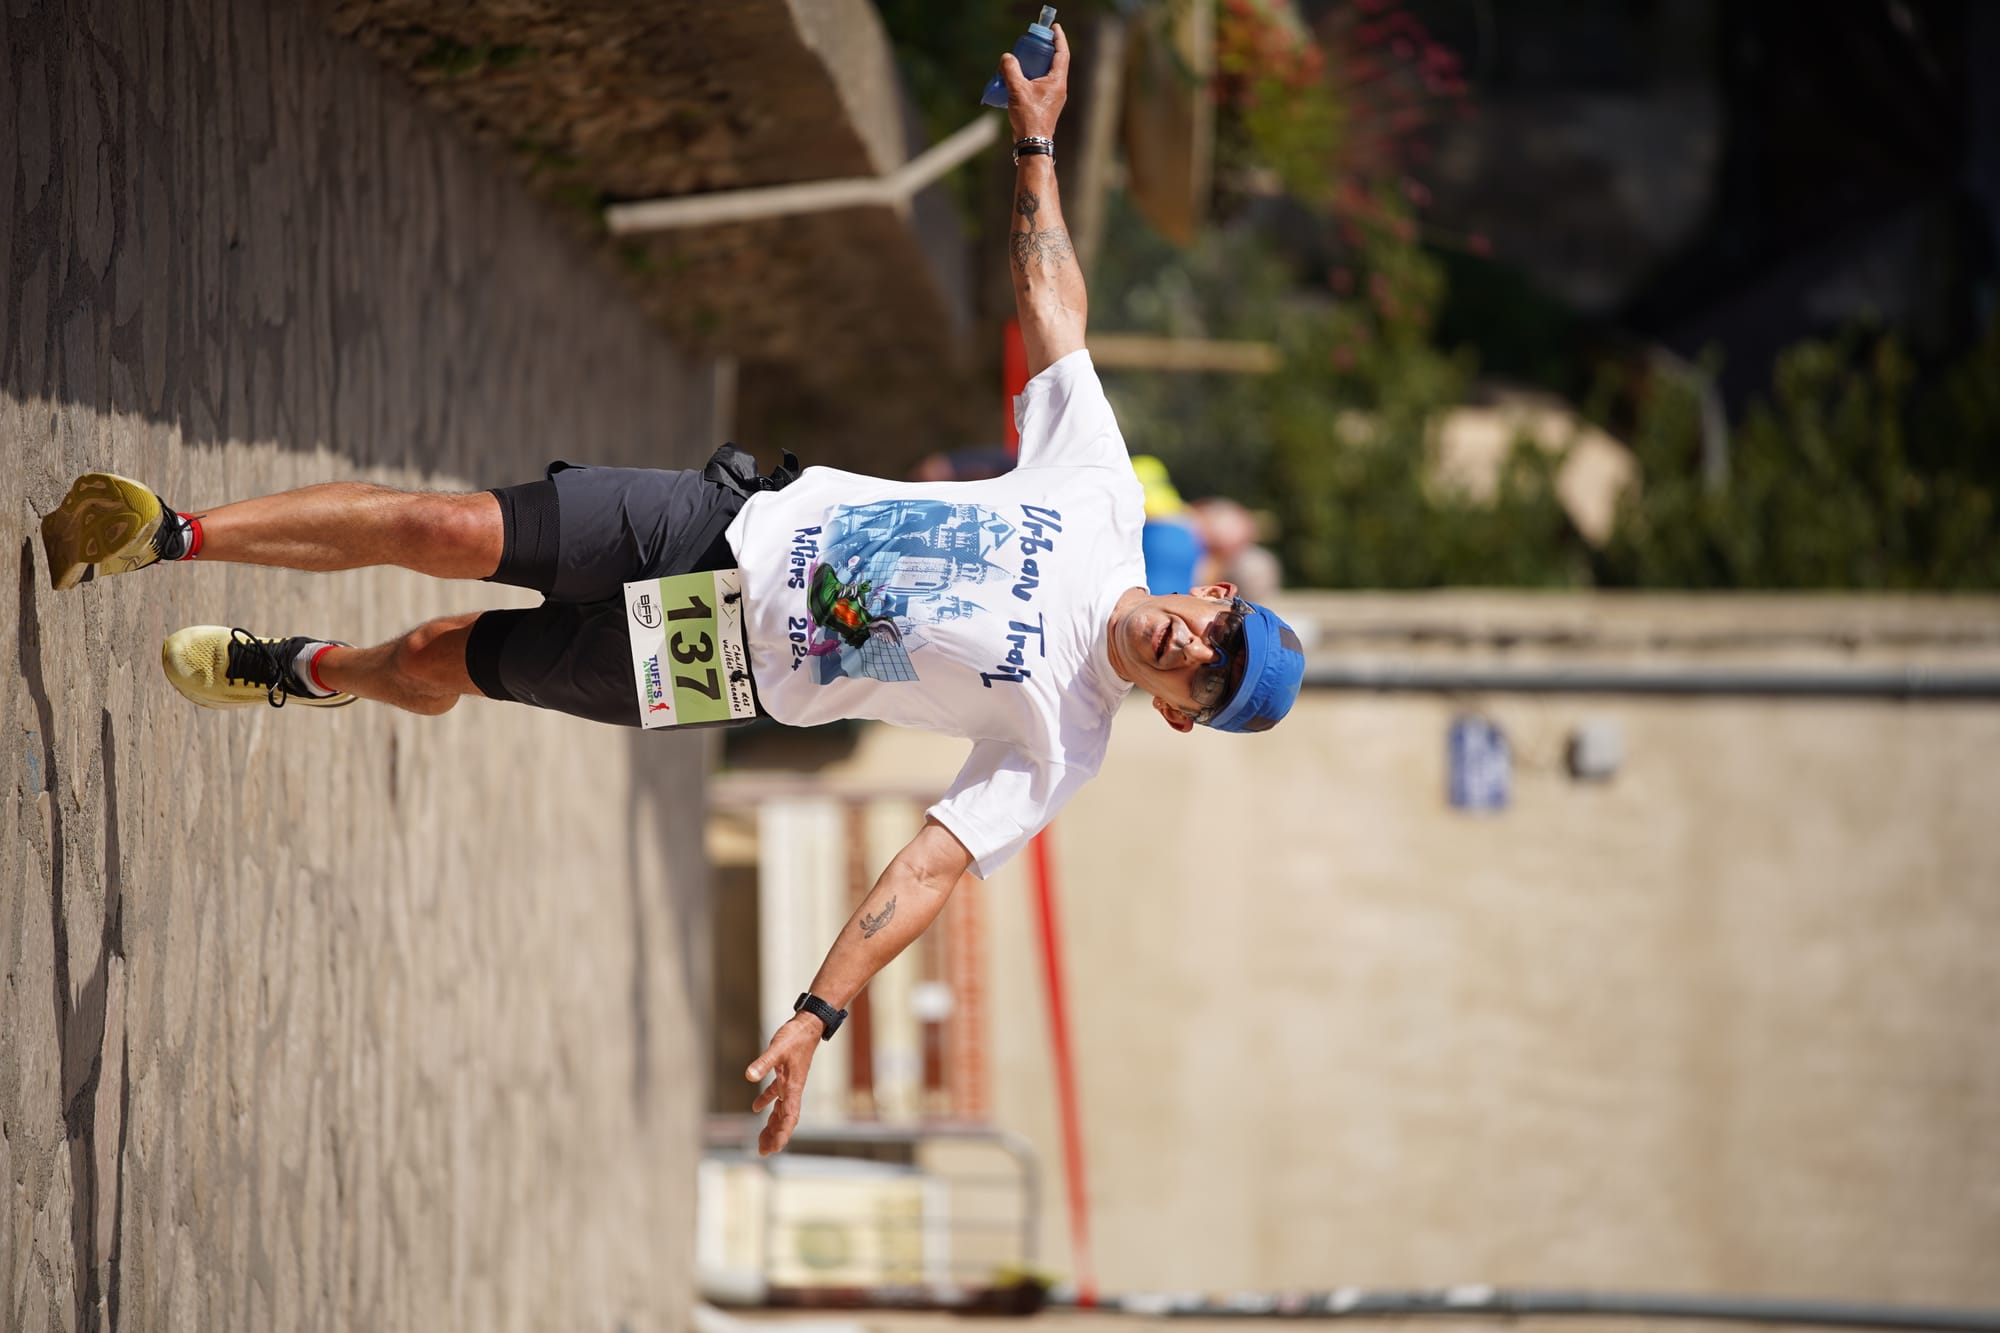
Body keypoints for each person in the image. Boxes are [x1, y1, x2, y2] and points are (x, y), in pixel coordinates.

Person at [36, 25, 1306, 1155]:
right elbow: (1051, 304)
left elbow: (925, 869)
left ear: (1179, 713)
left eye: (1209, 677)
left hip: (717, 662)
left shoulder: (1060, 745)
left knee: (436, 657)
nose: (1196, 645)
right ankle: (169, 533)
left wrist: (816, 1012)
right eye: (1222, 630)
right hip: (725, 521)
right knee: (444, 524)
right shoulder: (1103, 500)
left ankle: (310, 671)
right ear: (1210, 597)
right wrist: (1033, 143)